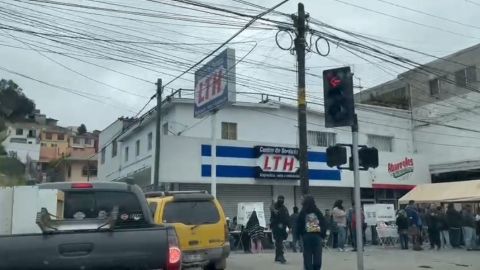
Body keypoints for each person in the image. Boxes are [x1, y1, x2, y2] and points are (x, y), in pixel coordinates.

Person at [296, 195, 327, 270]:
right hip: (317, 236)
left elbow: (298, 225)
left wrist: (299, 235)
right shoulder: (317, 211)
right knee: (317, 255)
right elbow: (323, 223)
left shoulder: (303, 212)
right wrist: (322, 235)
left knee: (307, 256)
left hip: (306, 236)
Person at [270, 195, 290, 264]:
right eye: (280, 198)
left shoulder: (284, 208)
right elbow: (273, 214)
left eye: (282, 199)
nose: (281, 200)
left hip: (282, 228)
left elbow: (287, 218)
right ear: (278, 199)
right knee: (279, 242)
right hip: (276, 227)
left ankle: (277, 257)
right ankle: (281, 256)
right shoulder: (274, 207)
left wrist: (290, 227)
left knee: (278, 242)